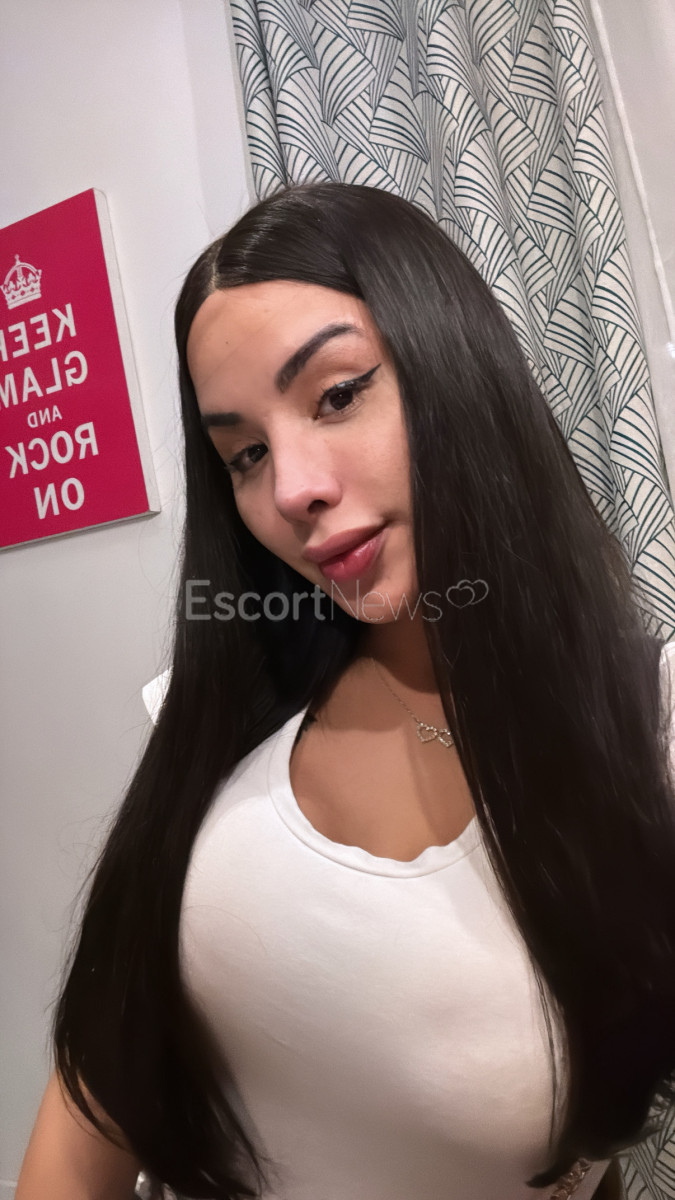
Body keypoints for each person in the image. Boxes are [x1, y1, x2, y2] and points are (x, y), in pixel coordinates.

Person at [15, 182, 675, 1200]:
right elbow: (98, 1087)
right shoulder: (214, 721)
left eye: (335, 396)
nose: (291, 490)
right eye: (244, 453)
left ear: (454, 366)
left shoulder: (643, 727)